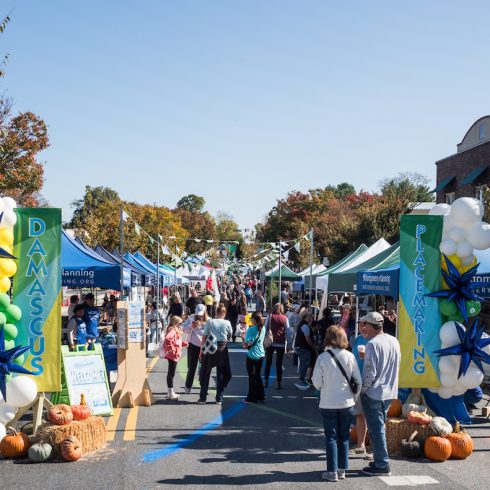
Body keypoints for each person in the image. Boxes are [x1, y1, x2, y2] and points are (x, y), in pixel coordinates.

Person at [312, 326, 362, 482]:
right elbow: (358, 382)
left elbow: (316, 383)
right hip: (346, 402)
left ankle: (332, 471)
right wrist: (354, 397)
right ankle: (342, 470)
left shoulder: (322, 357)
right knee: (344, 437)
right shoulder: (350, 356)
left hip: (328, 403)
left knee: (331, 437)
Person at [359, 311, 401, 476]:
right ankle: (379, 459)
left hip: (374, 392)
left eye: (365, 325)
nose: (363, 327)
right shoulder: (394, 340)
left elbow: (370, 373)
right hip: (390, 391)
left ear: (370, 326)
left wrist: (362, 390)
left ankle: (382, 464)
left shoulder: (373, 344)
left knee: (376, 429)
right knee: (379, 427)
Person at [198, 304, 233, 405]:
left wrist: (201, 350)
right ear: (224, 313)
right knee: (221, 373)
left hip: (210, 348)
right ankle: (219, 398)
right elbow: (230, 335)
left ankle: (203, 398)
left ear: (216, 312)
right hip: (222, 348)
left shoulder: (210, 321)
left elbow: (204, 336)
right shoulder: (227, 322)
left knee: (206, 372)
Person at [351, 319, 369, 455]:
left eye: (364, 324)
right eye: (360, 325)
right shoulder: (358, 340)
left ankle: (375, 448)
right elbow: (352, 358)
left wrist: (366, 357)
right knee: (359, 413)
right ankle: (360, 444)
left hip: (372, 383)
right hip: (358, 381)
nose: (362, 327)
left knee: (373, 416)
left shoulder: (376, 342)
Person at [182, 304, 207, 393]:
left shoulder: (209, 320)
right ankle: (188, 386)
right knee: (191, 367)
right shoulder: (192, 317)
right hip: (193, 345)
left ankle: (203, 386)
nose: (199, 315)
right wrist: (191, 327)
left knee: (204, 368)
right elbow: (183, 329)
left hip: (204, 347)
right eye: (198, 313)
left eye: (201, 314)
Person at [263, 303, 289, 389]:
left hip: (270, 341)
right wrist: (288, 343)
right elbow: (288, 330)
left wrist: (263, 341)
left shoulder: (270, 316)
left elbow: (265, 328)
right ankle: (278, 382)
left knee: (268, 362)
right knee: (279, 363)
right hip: (280, 342)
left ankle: (266, 380)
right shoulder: (285, 318)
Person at [243, 312, 266, 403]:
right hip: (260, 355)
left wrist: (243, 338)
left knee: (251, 377)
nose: (250, 320)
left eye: (251, 319)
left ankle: (251, 397)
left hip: (252, 355)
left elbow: (246, 344)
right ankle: (261, 396)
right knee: (257, 376)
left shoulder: (251, 330)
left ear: (254, 319)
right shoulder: (263, 328)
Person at [163, 316, 188, 400]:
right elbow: (168, 339)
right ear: (175, 323)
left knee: (171, 373)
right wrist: (172, 349)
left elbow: (176, 341)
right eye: (180, 323)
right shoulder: (173, 330)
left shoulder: (173, 329)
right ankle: (170, 393)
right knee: (171, 374)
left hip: (174, 354)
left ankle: (170, 392)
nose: (181, 325)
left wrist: (184, 343)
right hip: (173, 355)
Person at [294, 311, 315, 390]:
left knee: (303, 363)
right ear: (306, 317)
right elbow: (307, 338)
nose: (311, 319)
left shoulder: (301, 324)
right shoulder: (305, 326)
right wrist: (312, 346)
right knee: (304, 363)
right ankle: (301, 380)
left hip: (300, 346)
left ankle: (301, 379)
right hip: (303, 347)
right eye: (310, 317)